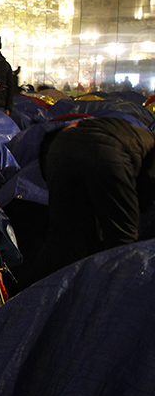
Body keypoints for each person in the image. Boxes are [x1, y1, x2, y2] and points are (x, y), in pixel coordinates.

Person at [31, 116, 155, 284]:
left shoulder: (133, 132)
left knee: (62, 236)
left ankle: (33, 289)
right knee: (122, 240)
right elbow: (148, 181)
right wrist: (134, 209)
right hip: (108, 151)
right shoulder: (147, 142)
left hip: (60, 146)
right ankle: (118, 291)